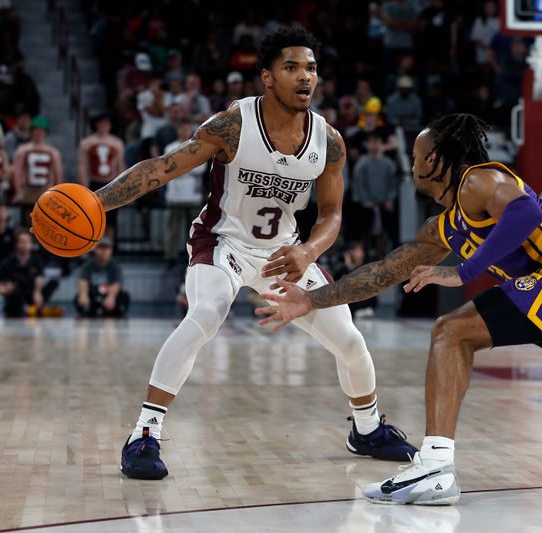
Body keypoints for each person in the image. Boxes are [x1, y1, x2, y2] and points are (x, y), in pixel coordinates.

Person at [257, 114, 542, 505]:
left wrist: (466, 270)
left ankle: (434, 467)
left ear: (435, 159)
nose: (412, 164)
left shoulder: (481, 179)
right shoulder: (444, 225)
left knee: (451, 331)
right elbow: (386, 270)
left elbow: (527, 214)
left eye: (416, 156)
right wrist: (310, 300)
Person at [93, 27, 415, 480]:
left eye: (311, 68)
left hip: (283, 253)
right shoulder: (233, 125)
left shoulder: (329, 140)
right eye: (292, 68)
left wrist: (309, 250)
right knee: (206, 313)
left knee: (350, 341)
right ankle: (145, 432)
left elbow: (332, 215)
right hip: (221, 241)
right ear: (267, 77)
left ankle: (366, 428)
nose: (305, 77)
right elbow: (160, 170)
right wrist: (96, 202)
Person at [162, 118, 205, 265]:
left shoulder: (199, 146)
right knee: (172, 229)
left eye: (187, 128)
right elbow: (169, 170)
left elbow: (201, 169)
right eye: (182, 128)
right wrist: (188, 168)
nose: (185, 131)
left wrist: (180, 169)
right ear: (178, 129)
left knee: (194, 230)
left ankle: (193, 256)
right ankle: (170, 257)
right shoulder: (170, 147)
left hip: (193, 195)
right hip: (174, 195)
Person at [78, 113, 125, 241]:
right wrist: (84, 186)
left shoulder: (116, 143)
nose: (103, 126)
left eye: (106, 123)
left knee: (110, 220)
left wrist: (121, 186)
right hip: (95, 182)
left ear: (110, 125)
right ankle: (93, 246)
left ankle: (109, 247)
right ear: (96, 125)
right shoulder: (87, 143)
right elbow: (83, 165)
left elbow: (120, 165)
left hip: (111, 183)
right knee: (94, 218)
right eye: (101, 123)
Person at [0, 229, 58, 317]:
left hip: (32, 293)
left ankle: (38, 306)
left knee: (53, 283)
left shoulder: (36, 260)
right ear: (16, 244)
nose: (25, 245)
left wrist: (37, 292)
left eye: (27, 242)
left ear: (31, 244)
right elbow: (1, 287)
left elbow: (39, 277)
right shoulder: (7, 263)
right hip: (16, 296)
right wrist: (6, 289)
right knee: (17, 290)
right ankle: (25, 308)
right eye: (22, 241)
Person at [11, 116, 63, 220]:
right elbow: (16, 171)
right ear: (31, 132)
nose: (39, 133)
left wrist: (58, 193)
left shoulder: (53, 152)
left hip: (46, 192)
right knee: (27, 221)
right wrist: (18, 191)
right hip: (27, 192)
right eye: (36, 130)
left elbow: (58, 173)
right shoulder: (23, 150)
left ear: (45, 133)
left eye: (41, 131)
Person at [75, 237, 130, 317]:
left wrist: (111, 297)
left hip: (108, 293)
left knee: (124, 297)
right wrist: (83, 295)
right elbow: (83, 281)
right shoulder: (88, 265)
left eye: (106, 248)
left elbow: (116, 283)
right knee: (78, 298)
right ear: (95, 250)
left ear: (111, 250)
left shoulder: (115, 266)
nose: (103, 251)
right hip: (93, 294)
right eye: (101, 248)